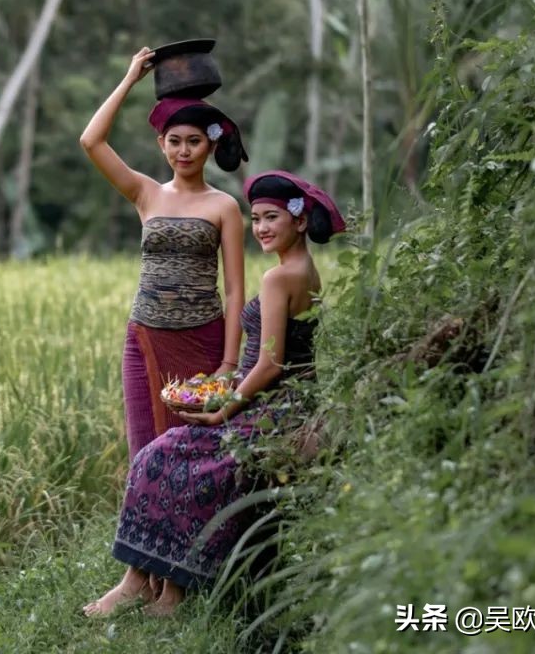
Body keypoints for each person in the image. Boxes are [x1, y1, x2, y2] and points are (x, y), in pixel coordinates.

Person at [83, 170, 346, 618]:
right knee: (169, 454)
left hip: (273, 408)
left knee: (160, 456)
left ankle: (154, 589)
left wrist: (226, 406)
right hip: (287, 401)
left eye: (272, 218)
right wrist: (227, 384)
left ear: (300, 222)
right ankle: (163, 589)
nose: (261, 227)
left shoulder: (278, 279)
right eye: (257, 218)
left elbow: (271, 363)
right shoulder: (305, 271)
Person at [79, 46, 247, 464]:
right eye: (175, 142)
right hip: (146, 339)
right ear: (161, 144)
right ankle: (146, 532)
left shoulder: (224, 206)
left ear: (209, 146)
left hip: (203, 341)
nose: (184, 151)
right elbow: (91, 140)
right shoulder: (145, 193)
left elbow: (234, 291)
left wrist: (229, 362)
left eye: (194, 142)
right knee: (146, 455)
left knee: (202, 456)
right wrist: (130, 79)